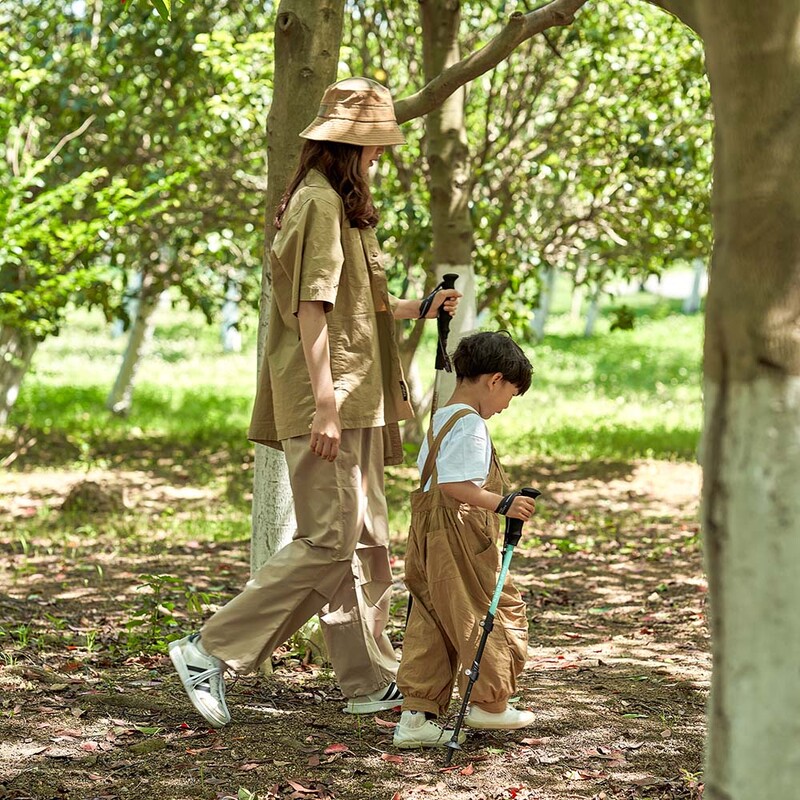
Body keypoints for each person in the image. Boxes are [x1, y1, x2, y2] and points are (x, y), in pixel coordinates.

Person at [167, 77, 460, 727]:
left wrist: (420, 307)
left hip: (359, 397)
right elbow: (310, 310)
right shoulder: (318, 205)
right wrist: (324, 405)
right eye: (374, 147)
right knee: (328, 541)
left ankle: (362, 679)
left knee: (365, 545)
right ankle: (208, 647)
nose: (380, 157)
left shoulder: (344, 208)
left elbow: (361, 304)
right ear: (347, 148)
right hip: (327, 398)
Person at [392, 331, 537, 749]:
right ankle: (488, 704)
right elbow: (456, 484)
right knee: (488, 606)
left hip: (428, 535)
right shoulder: (471, 424)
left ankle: (417, 714)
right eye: (511, 393)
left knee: (433, 617)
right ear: (494, 380)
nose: (507, 405)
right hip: (460, 534)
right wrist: (503, 503)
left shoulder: (442, 416)